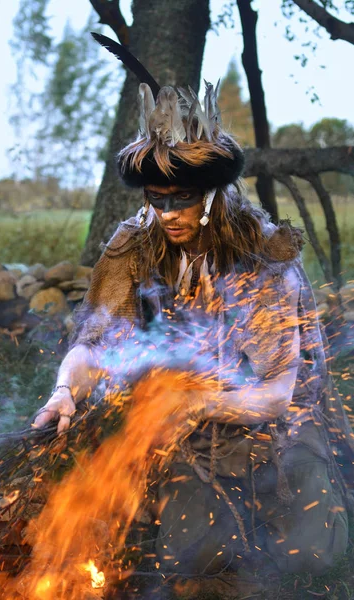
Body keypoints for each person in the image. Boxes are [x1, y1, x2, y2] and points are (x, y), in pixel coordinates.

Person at [34, 75, 354, 583]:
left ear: (211, 196)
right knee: (195, 558)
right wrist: (64, 389)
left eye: (180, 198)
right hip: (185, 421)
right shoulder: (134, 245)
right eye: (155, 199)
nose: (166, 214)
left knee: (316, 556)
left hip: (272, 422)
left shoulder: (260, 258)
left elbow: (276, 393)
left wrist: (190, 404)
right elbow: (92, 345)